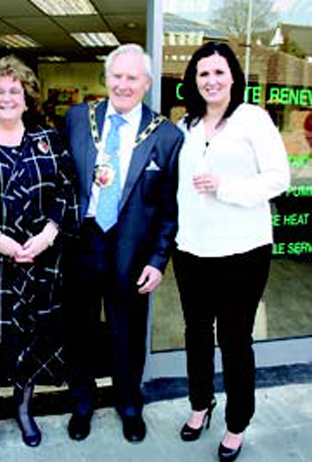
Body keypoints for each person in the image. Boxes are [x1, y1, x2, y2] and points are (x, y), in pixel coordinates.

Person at [0, 55, 78, 455]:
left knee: (31, 338)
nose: (7, 98)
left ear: (27, 99)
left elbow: (68, 188)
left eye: (15, 92)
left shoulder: (49, 140)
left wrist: (49, 234)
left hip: (38, 263)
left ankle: (23, 408)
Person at [173, 41, 290, 461]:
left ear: (234, 77)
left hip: (244, 251)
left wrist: (228, 188)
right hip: (192, 252)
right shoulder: (186, 125)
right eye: (203, 73)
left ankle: (237, 423)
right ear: (194, 80)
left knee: (235, 340)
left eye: (219, 72)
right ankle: (201, 405)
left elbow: (279, 178)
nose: (211, 80)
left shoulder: (252, 119)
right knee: (196, 335)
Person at [63, 43, 183, 443]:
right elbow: (62, 183)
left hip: (132, 249)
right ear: (107, 78)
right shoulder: (80, 118)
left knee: (127, 331)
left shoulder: (166, 135)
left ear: (147, 84)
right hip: (83, 242)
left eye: (132, 78)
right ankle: (82, 401)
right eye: (117, 76)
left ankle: (129, 403)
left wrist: (158, 260)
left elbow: (169, 208)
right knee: (78, 327)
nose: (123, 84)